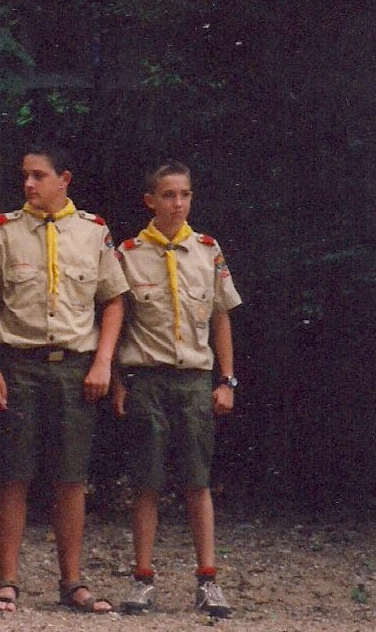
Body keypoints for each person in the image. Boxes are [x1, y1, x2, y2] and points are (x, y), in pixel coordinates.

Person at [0, 143, 127, 614]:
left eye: (38, 176)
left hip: (74, 368)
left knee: (70, 478)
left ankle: (73, 581)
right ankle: (7, 580)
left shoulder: (93, 232)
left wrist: (103, 361)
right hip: (18, 365)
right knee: (13, 475)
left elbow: (114, 299)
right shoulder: (5, 231)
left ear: (64, 179)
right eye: (25, 175)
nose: (28, 184)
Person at [112, 159, 241, 619]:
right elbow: (115, 321)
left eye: (184, 194)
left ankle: (208, 580)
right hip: (146, 379)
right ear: (151, 201)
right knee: (146, 481)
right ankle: (143, 579)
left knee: (197, 481)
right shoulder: (128, 253)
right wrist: (115, 382)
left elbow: (221, 316)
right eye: (168, 195)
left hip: (193, 380)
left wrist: (226, 379)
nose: (178, 203)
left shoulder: (207, 250)